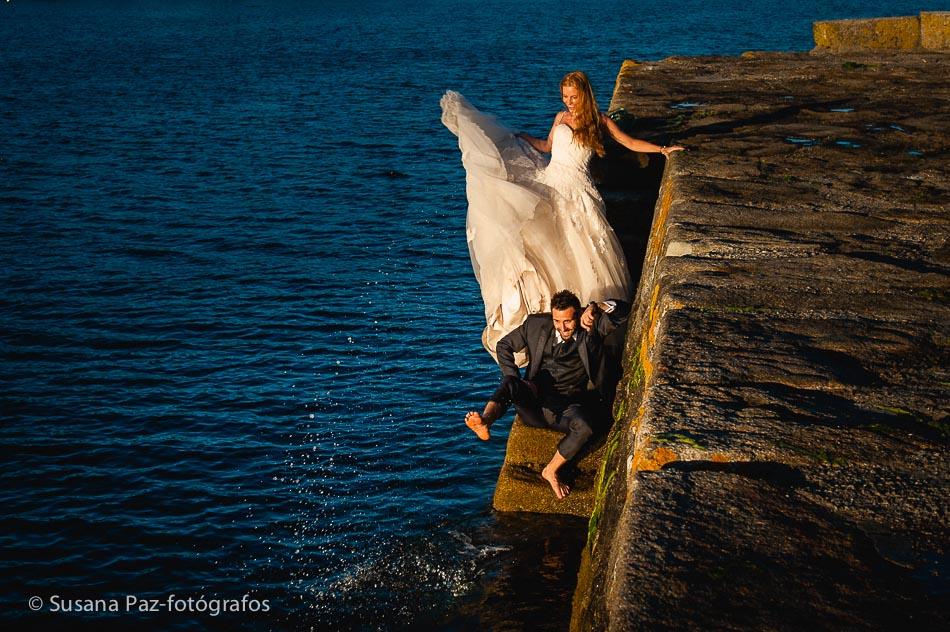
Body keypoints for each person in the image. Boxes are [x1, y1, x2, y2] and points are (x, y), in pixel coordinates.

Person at [440, 71, 683, 362]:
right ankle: (550, 313)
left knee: (581, 251)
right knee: (539, 242)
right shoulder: (560, 118)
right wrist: (520, 138)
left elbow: (630, 143)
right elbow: (546, 147)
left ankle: (586, 318)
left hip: (578, 193)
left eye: (573, 97)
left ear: (585, 95)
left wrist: (663, 150)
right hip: (551, 181)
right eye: (565, 97)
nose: (568, 102)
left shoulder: (600, 122)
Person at [465, 290, 630, 499]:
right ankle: (486, 421)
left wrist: (596, 307)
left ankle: (551, 470)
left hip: (569, 406)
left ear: (577, 315)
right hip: (535, 403)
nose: (562, 327)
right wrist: (517, 378)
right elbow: (504, 345)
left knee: (586, 426)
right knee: (510, 383)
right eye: (557, 321)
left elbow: (623, 310)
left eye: (568, 321)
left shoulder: (592, 326)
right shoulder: (536, 324)